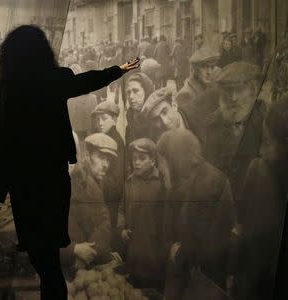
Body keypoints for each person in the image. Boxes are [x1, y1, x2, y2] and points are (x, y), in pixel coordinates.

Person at [0, 25, 139, 300]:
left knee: (42, 259)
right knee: (49, 259)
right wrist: (119, 69)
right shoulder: (54, 80)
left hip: (25, 188)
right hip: (54, 182)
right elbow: (87, 80)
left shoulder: (10, 91)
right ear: (43, 52)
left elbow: (1, 146)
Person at [158, 129, 236, 300]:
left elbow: (205, 247)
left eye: (162, 161)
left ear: (175, 159)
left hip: (204, 283)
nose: (160, 169)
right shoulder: (187, 180)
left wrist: (180, 251)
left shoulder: (209, 184)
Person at [233, 98, 288, 300]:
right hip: (252, 277)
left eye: (268, 141)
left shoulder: (260, 171)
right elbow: (240, 225)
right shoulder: (257, 170)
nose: (263, 150)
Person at [204, 61, 265, 200]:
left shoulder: (264, 120)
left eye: (239, 90)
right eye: (228, 91)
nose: (233, 98)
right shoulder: (212, 124)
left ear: (252, 91)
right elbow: (210, 171)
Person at [60, 133, 118, 269]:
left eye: (108, 160)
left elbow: (102, 225)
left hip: (78, 264)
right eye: (101, 158)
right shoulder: (80, 182)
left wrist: (89, 253)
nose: (106, 165)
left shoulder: (92, 184)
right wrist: (75, 251)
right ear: (87, 156)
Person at [117, 138, 167, 291]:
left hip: (154, 252)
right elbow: (121, 209)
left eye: (142, 158)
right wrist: (122, 229)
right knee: (134, 290)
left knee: (152, 290)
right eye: (134, 159)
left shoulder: (162, 184)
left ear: (153, 160)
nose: (136, 163)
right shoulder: (129, 182)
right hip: (134, 251)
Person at [91, 101, 124, 228]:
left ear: (114, 120)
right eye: (97, 119)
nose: (100, 123)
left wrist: (94, 185)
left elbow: (117, 182)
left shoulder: (116, 143)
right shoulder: (98, 136)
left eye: (104, 119)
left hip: (109, 202)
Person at [124, 72, 154, 145]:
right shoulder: (130, 115)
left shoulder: (155, 118)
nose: (131, 97)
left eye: (135, 91)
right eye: (128, 92)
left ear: (146, 91)